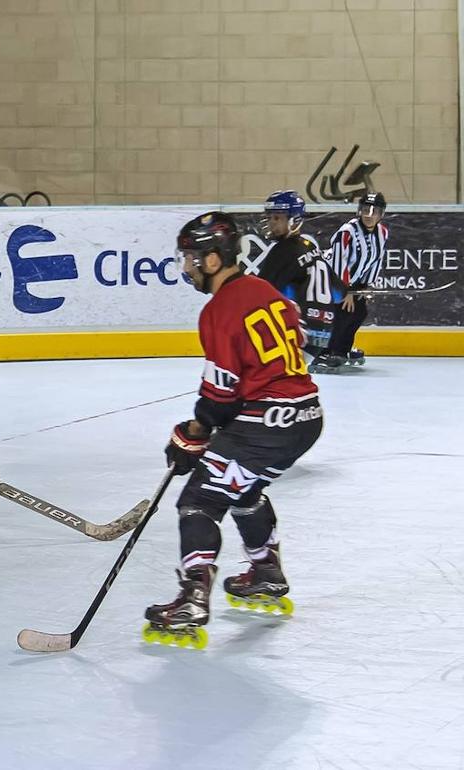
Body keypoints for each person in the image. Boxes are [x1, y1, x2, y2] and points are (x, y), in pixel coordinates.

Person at [146, 212, 323, 645]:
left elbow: (220, 397)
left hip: (266, 423)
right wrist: (202, 431)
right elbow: (291, 347)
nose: (185, 267)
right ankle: (265, 571)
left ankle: (192, 598)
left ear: (211, 260)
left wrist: (193, 433)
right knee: (241, 487)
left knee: (200, 500)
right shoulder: (265, 289)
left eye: (190, 258)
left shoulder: (219, 310)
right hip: (306, 417)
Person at [254, 190, 340, 358]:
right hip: (322, 337)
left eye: (277, 218)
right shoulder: (310, 246)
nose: (271, 223)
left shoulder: (283, 250)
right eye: (270, 217)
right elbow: (338, 292)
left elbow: (258, 293)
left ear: (295, 220)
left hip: (298, 334)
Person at [318, 192, 388, 371]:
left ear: (381, 214)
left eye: (374, 211)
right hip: (330, 278)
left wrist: (367, 286)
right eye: (365, 209)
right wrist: (345, 290)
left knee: (360, 312)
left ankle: (343, 349)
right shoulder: (347, 232)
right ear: (359, 211)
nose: (369, 215)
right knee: (343, 312)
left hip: (354, 281)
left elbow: (377, 259)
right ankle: (328, 351)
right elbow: (338, 262)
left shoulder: (382, 233)